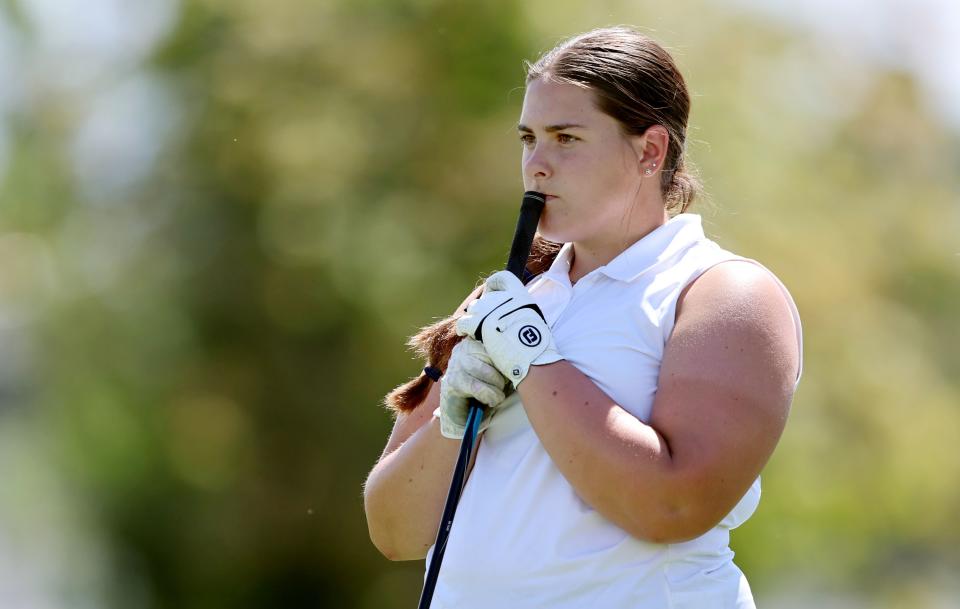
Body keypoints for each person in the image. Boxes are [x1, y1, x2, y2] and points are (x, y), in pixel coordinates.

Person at [363, 26, 803, 609]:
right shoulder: (501, 303)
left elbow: (673, 506)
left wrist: (532, 359)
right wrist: (452, 422)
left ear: (650, 150)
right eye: (528, 139)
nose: (536, 166)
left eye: (566, 138)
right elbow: (394, 533)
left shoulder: (722, 292)